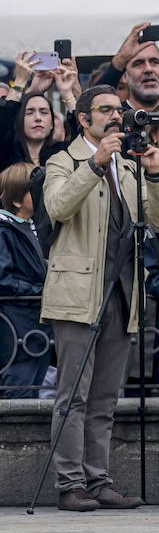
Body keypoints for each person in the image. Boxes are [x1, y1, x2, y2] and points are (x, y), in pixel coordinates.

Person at [41, 84, 159, 510]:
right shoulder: (62, 160)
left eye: (120, 109)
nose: (116, 116)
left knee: (104, 397)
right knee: (72, 395)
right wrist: (94, 164)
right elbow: (58, 207)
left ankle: (99, 480)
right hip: (79, 291)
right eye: (106, 110)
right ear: (83, 119)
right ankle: (69, 483)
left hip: (122, 292)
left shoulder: (130, 166)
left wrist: (154, 173)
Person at [0, 163, 51, 398]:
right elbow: (3, 278)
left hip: (35, 323)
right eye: (35, 191)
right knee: (19, 386)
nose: (42, 195)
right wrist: (38, 290)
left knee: (34, 382)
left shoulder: (32, 226)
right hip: (17, 322)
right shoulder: (4, 230)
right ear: (18, 200)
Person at [2, 91, 64, 170]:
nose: (38, 118)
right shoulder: (6, 154)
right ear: (19, 121)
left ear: (51, 123)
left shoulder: (63, 153)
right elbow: (3, 123)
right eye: (30, 113)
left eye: (44, 112)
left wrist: (67, 93)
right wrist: (19, 84)